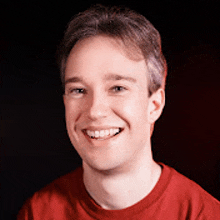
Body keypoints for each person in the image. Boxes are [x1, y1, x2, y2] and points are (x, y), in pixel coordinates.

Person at [17, 4, 220, 219]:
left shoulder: (202, 214)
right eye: (78, 90)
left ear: (155, 105)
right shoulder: (39, 212)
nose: (95, 111)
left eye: (118, 88)